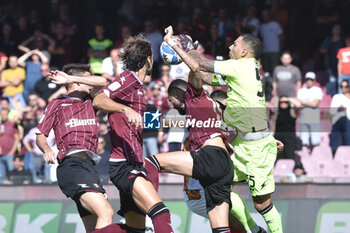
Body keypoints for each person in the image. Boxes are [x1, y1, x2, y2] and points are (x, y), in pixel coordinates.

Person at [167, 28, 283, 233]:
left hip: (256, 148)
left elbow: (202, 64)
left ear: (245, 52)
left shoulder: (241, 66)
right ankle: (255, 231)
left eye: (235, 44)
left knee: (261, 205)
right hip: (243, 143)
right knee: (219, 188)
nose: (230, 47)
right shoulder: (243, 70)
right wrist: (189, 63)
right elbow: (206, 77)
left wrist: (180, 46)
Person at [93, 35, 174, 233]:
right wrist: (125, 110)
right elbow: (99, 100)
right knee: (161, 213)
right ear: (148, 59)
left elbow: (139, 121)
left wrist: (184, 120)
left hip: (132, 163)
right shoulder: (128, 78)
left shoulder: (138, 85)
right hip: (124, 165)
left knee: (135, 229)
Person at [36, 64, 115, 232]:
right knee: (106, 212)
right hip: (71, 165)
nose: (90, 82)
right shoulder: (57, 103)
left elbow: (102, 81)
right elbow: (40, 135)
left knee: (94, 226)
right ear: (78, 84)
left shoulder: (91, 101)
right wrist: (47, 149)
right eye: (86, 79)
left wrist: (71, 78)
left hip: (89, 168)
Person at [297, 72, 323, 152]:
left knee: (316, 142)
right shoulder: (301, 91)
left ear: (314, 81)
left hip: (313, 116)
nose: (309, 81)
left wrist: (303, 102)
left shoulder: (318, 90)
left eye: (311, 79)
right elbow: (298, 105)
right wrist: (309, 103)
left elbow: (315, 103)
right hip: (304, 116)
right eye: (307, 79)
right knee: (304, 142)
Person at [329, 80, 350, 155]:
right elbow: (332, 111)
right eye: (341, 86)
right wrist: (339, 109)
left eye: (346, 86)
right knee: (341, 117)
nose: (343, 88)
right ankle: (334, 152)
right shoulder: (337, 97)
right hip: (339, 121)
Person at [260, 9, 283, 74]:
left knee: (275, 69)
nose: (265, 17)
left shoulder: (275, 24)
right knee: (266, 70)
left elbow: (281, 37)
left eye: (266, 15)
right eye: (263, 15)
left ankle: (275, 83)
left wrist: (279, 48)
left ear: (269, 15)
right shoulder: (262, 26)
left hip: (274, 51)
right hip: (265, 51)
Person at [0, 107, 20, 184]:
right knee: (1, 176)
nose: (3, 115)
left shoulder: (12, 124)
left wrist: (11, 152)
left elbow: (17, 139)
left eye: (5, 113)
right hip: (1, 155)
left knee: (11, 174)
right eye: (2, 114)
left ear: (8, 114)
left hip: (9, 154)